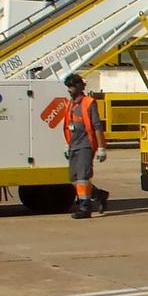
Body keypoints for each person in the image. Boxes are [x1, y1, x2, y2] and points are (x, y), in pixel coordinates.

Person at [61, 72, 108, 218]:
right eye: (68, 87)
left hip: (86, 145)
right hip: (74, 145)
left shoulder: (89, 103)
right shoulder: (70, 104)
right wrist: (66, 144)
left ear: (80, 87)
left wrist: (101, 148)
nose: (69, 90)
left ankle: (85, 207)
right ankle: (98, 194)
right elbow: (68, 125)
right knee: (74, 178)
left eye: (71, 87)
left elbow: (97, 126)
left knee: (82, 177)